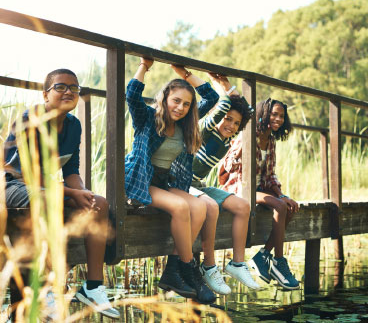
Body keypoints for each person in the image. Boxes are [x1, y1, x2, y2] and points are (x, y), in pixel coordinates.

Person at [4, 69, 120, 319]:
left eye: (74, 88)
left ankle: (93, 286)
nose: (68, 91)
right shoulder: (31, 118)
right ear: (45, 94)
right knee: (48, 199)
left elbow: (71, 171)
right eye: (60, 87)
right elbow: (27, 173)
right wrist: (68, 193)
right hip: (13, 186)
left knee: (98, 203)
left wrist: (83, 192)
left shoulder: (73, 125)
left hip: (47, 187)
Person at [124, 58, 219, 304]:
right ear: (165, 98)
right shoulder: (147, 117)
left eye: (186, 104)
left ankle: (173, 270)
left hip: (164, 184)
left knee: (198, 206)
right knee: (180, 206)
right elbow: (132, 94)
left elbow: (211, 97)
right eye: (176, 100)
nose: (180, 107)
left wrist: (185, 74)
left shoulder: (185, 126)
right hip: (140, 180)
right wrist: (144, 65)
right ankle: (189, 269)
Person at [189, 73, 260, 294]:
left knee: (242, 207)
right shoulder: (206, 129)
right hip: (180, 184)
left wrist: (227, 84)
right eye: (228, 119)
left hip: (197, 185)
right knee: (210, 206)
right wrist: (223, 87)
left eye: (236, 123)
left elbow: (247, 112)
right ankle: (208, 266)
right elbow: (225, 107)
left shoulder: (228, 138)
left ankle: (237, 263)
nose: (230, 125)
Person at [219, 98, 300, 290]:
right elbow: (228, 165)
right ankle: (278, 262)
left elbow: (270, 175)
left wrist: (281, 195)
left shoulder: (270, 141)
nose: (278, 119)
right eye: (274, 114)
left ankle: (263, 255)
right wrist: (238, 154)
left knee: (287, 206)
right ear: (264, 114)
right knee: (279, 206)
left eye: (281, 116)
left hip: (258, 190)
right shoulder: (248, 135)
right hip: (238, 189)